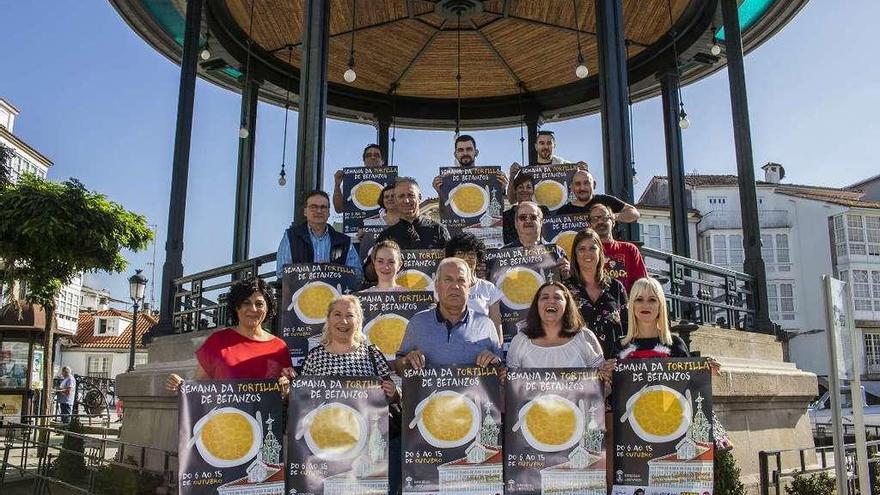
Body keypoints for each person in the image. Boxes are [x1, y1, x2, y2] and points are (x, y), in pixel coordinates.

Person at [299, 295, 402, 493]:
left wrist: (394, 393)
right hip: (328, 446)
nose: (343, 321)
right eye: (337, 314)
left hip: (368, 446)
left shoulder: (371, 353)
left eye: (350, 315)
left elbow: (393, 393)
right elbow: (303, 401)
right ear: (328, 319)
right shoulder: (314, 357)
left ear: (359, 321)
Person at [165, 277, 293, 389]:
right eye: (246, 303)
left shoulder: (280, 347)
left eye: (259, 304)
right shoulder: (217, 341)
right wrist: (182, 386)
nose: (253, 309)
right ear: (236, 307)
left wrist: (287, 390)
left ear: (267, 308)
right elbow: (198, 387)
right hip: (224, 416)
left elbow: (287, 394)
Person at [395, 258, 501, 371]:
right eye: (448, 280)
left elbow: (500, 368)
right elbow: (398, 366)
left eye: (461, 280)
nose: (455, 286)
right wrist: (406, 360)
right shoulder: (418, 323)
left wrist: (495, 362)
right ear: (436, 286)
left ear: (469, 288)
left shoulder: (485, 325)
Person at [506, 282, 609, 375]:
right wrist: (503, 380)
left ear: (567, 305)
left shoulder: (584, 337)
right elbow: (511, 388)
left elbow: (602, 387)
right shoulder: (520, 341)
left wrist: (606, 377)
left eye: (557, 298)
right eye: (545, 297)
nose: (551, 301)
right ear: (536, 305)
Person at [275, 190, 364, 288]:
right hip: (300, 298)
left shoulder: (344, 241)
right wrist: (313, 271)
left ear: (329, 212)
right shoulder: (291, 236)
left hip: (334, 298)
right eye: (313, 207)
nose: (319, 211)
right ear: (305, 211)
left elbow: (358, 275)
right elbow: (281, 272)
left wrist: (331, 270)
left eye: (323, 207)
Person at [565, 228, 627, 359]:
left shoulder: (616, 287)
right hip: (578, 367)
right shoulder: (565, 289)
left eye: (592, 248)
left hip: (614, 366)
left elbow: (627, 329)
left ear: (600, 252)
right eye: (581, 249)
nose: (587, 253)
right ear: (575, 255)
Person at [445, 233, 503, 342]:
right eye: (460, 253)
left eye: (471, 254)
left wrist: (497, 353)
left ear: (478, 259)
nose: (466, 258)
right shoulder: (438, 287)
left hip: (482, 352)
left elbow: (496, 324)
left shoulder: (489, 288)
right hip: (449, 349)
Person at [375, 177, 450, 250]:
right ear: (395, 200)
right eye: (401, 196)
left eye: (411, 195)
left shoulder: (439, 230)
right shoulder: (386, 236)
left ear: (419, 197)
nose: (406, 201)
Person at [589, 202, 648, 293]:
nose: (600, 222)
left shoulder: (629, 249)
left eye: (605, 218)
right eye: (595, 219)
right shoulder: (586, 252)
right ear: (590, 225)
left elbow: (642, 284)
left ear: (613, 222)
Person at [504, 201, 570, 279]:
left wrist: (567, 275)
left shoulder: (556, 251)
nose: (528, 221)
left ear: (541, 222)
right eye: (523, 217)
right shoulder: (504, 253)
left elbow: (565, 284)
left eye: (533, 217)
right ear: (516, 223)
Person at [432, 134, 508, 195]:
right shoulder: (447, 180)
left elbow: (496, 208)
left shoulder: (491, 177)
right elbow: (446, 209)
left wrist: (502, 189)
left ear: (476, 152)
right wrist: (440, 192)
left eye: (469, 149)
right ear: (455, 155)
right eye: (461, 150)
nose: (465, 153)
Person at [556, 169, 640, 223]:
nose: (582, 188)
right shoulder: (563, 211)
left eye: (586, 183)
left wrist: (612, 216)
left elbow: (634, 213)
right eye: (578, 184)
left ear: (594, 185)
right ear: (572, 187)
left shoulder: (605, 200)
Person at [332, 143, 385, 213]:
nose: (372, 157)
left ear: (382, 161)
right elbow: (338, 209)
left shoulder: (392, 180)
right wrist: (337, 185)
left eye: (376, 155)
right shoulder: (351, 180)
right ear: (364, 161)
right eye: (368, 155)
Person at [502, 173, 549, 245]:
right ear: (515, 190)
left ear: (533, 191)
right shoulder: (506, 216)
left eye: (528, 187)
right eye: (520, 187)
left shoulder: (544, 211)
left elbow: (548, 235)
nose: (524, 190)